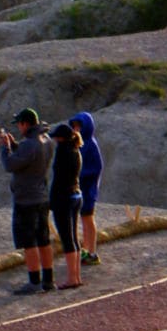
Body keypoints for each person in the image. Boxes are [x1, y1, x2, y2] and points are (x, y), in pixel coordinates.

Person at [0, 106, 55, 294]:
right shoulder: (46, 140)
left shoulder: (29, 144)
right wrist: (15, 146)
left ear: (25, 124)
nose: (18, 129)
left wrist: (5, 149)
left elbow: (10, 165)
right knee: (44, 239)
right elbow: (28, 157)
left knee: (29, 242)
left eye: (19, 125)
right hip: (42, 196)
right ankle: (48, 280)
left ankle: (34, 281)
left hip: (26, 200)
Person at [47, 123, 83, 289]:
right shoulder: (76, 150)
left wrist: (51, 201)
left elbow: (58, 180)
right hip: (76, 195)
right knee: (74, 238)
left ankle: (71, 278)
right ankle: (76, 276)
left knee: (67, 239)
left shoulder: (63, 151)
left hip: (64, 198)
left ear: (61, 138)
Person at [70, 110, 103, 264]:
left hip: (88, 189)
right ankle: (86, 249)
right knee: (83, 220)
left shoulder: (91, 144)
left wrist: (80, 174)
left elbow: (97, 167)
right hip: (80, 189)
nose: (76, 130)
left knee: (88, 220)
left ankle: (92, 252)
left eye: (79, 127)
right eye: (75, 127)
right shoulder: (80, 144)